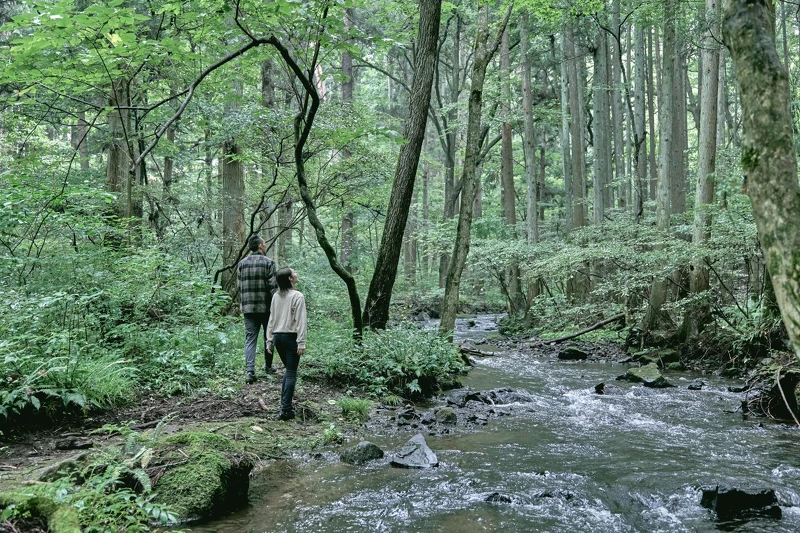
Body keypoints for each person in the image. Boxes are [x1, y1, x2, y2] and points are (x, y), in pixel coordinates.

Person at [266, 267, 307, 421]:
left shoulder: (276, 296)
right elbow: (300, 321)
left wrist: (269, 340)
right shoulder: (298, 296)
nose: (296, 273)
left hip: (277, 337)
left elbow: (272, 319)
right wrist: (301, 342)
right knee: (291, 373)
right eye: (294, 272)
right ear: (290, 279)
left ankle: (284, 406)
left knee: (288, 371)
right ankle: (286, 410)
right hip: (290, 338)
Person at [237, 234, 278, 384]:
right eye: (265, 243)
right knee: (269, 337)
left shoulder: (241, 264)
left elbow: (239, 286)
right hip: (266, 308)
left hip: (248, 308)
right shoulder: (269, 263)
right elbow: (274, 287)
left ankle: (250, 371)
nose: (266, 246)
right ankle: (268, 367)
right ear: (260, 246)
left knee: (250, 339)